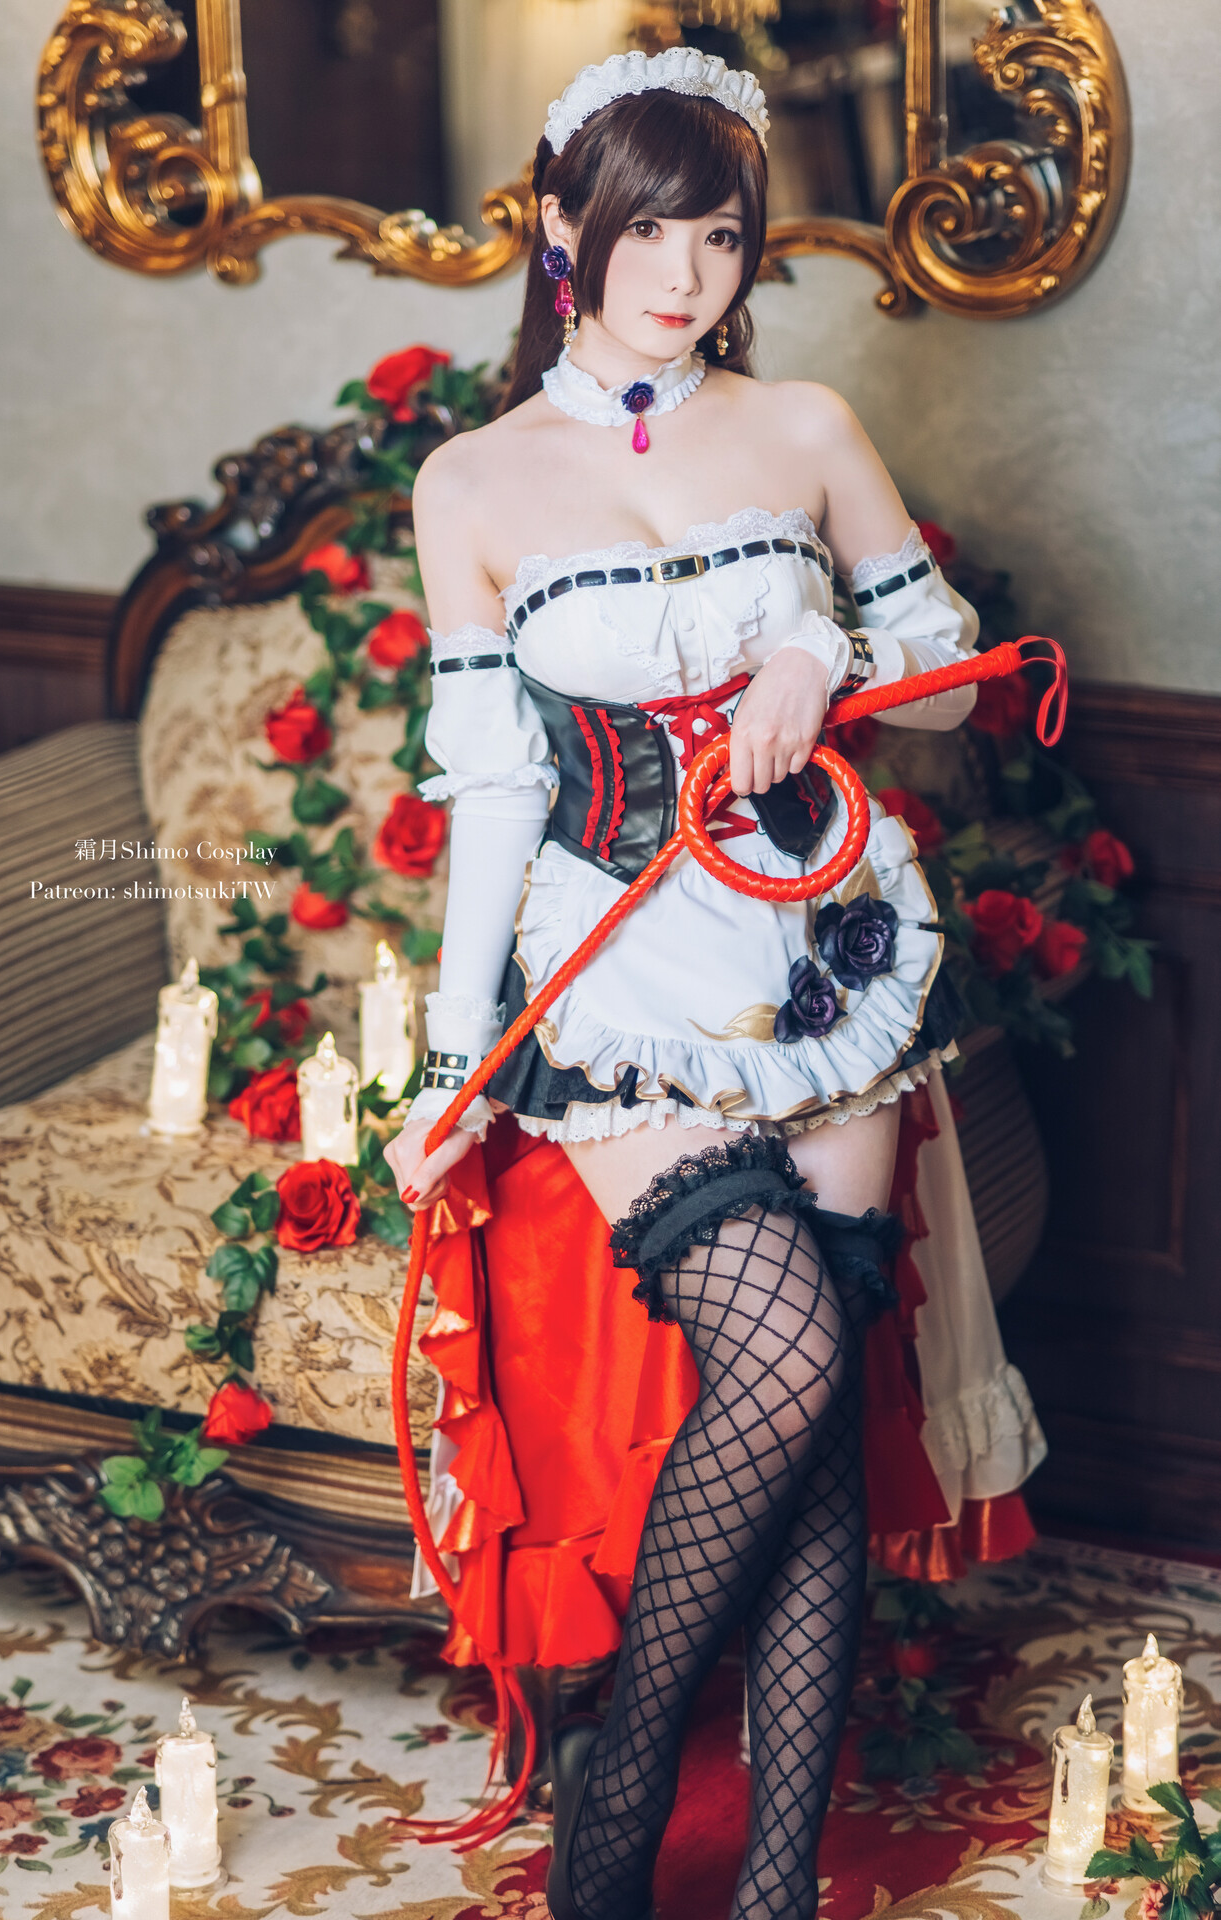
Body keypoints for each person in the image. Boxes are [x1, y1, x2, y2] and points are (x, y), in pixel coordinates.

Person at [385, 46, 1009, 1920]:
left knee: (812, 1404)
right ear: (562, 231)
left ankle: (770, 1885)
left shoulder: (803, 424)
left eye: (720, 235)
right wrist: (452, 1059)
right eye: (646, 230)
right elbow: (496, 793)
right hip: (617, 972)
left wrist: (822, 659)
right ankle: (623, 1789)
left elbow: (952, 686)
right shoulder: (471, 480)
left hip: (825, 945)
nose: (681, 273)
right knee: (783, 1352)